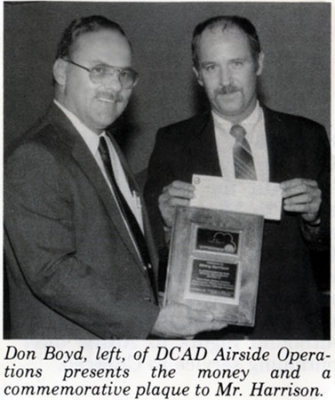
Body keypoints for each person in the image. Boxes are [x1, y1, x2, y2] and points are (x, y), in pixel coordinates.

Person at [4, 15, 226, 339]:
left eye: (124, 75)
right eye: (99, 70)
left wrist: (154, 303)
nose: (115, 86)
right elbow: (51, 273)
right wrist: (153, 320)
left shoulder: (104, 144)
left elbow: (120, 254)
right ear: (62, 72)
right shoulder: (35, 156)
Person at [144, 16, 330, 339]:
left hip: (291, 334)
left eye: (237, 63)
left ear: (259, 63)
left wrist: (317, 218)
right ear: (197, 76)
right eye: (211, 67)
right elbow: (149, 259)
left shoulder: (308, 137)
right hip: (207, 338)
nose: (225, 80)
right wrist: (167, 225)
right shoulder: (171, 143)